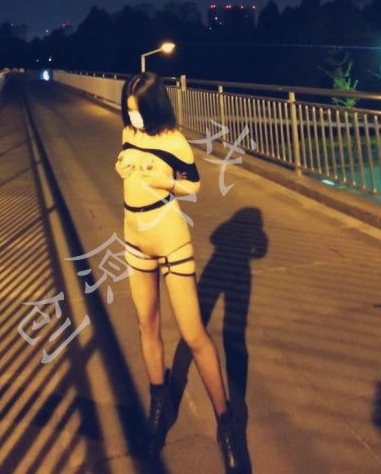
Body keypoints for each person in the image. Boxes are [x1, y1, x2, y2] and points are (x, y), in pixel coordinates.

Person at [114, 71, 240, 471]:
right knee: (146, 323)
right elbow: (128, 164)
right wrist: (124, 166)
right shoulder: (128, 133)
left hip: (169, 237)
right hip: (134, 235)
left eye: (138, 110)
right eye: (128, 110)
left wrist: (165, 182)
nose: (133, 117)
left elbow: (194, 186)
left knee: (193, 333)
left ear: (154, 107)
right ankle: (159, 404)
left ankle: (225, 422)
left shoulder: (174, 141)